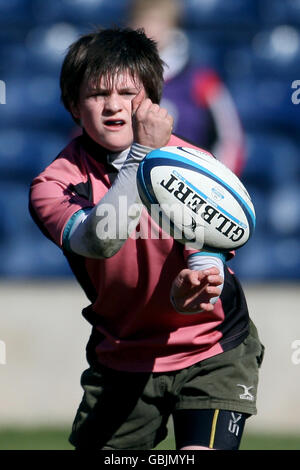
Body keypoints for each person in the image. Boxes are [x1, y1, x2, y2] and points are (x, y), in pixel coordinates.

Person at [29, 27, 264, 451]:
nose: (114, 105)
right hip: (123, 357)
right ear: (72, 106)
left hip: (212, 349)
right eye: (98, 93)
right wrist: (142, 155)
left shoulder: (195, 164)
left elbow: (208, 253)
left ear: (152, 98)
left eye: (128, 92)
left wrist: (200, 283)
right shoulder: (55, 184)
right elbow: (101, 240)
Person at [128, 0, 246, 176]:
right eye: (142, 22)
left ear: (173, 26)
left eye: (158, 22)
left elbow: (231, 141)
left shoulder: (202, 80)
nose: (149, 31)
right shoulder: (116, 81)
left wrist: (212, 183)